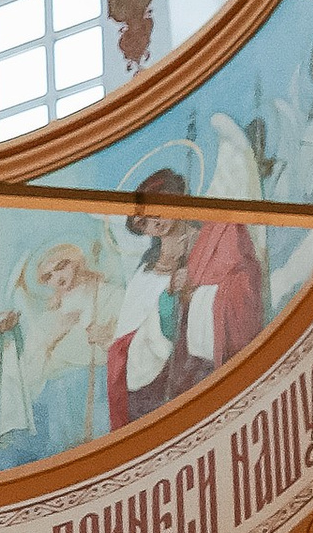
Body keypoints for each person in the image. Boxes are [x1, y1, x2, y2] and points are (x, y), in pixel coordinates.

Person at [107, 176, 266, 425]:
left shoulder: (213, 237)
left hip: (204, 359)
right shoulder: (146, 274)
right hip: (163, 377)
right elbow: (124, 347)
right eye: (144, 222)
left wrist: (198, 290)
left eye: (156, 210)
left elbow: (243, 280)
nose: (154, 222)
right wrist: (169, 296)